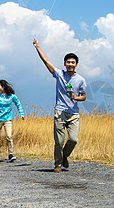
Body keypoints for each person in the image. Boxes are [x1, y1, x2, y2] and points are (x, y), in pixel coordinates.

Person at [33, 38, 87, 173]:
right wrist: (37, 47)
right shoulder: (59, 74)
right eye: (68, 62)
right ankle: (57, 164)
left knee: (73, 139)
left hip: (73, 113)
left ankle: (65, 157)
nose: (70, 64)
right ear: (64, 63)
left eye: (72, 62)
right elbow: (46, 62)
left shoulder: (80, 80)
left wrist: (75, 97)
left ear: (76, 64)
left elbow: (84, 97)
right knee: (59, 141)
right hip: (60, 111)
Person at [0, 79, 25, 162]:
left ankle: (10, 154)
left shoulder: (11, 96)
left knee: (9, 136)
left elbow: (18, 103)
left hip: (8, 119)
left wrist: (21, 114)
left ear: (3, 87)